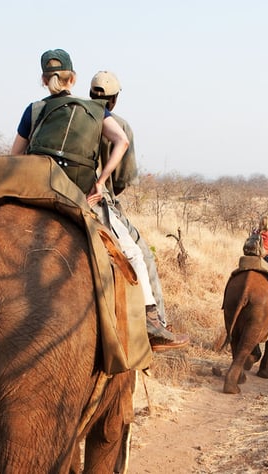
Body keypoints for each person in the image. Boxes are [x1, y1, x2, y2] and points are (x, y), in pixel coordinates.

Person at [10, 49, 186, 352]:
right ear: (73, 78)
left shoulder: (33, 110)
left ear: (43, 80)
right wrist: (102, 181)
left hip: (38, 188)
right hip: (82, 197)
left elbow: (14, 157)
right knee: (134, 254)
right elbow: (123, 147)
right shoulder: (93, 112)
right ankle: (152, 321)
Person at [89, 69, 189, 350]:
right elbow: (121, 179)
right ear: (114, 99)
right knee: (141, 255)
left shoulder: (67, 114)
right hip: (96, 196)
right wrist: (103, 186)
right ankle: (155, 324)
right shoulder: (117, 124)